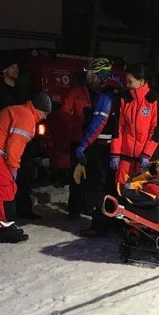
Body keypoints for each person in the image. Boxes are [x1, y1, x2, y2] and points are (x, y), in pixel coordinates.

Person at [0, 92, 52, 243]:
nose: (44, 117)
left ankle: (1, 226)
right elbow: (15, 146)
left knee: (6, 188)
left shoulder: (21, 111)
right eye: (45, 113)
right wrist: (13, 168)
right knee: (3, 188)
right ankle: (5, 228)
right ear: (38, 109)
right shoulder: (27, 118)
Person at [0, 59, 41, 220]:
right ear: (3, 70)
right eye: (12, 66)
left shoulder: (22, 91)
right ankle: (2, 217)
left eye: (17, 66)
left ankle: (23, 209)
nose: (16, 69)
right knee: (2, 183)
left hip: (20, 143)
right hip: (1, 145)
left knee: (23, 178)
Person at [73, 58, 121, 236]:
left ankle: (99, 226)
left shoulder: (105, 95)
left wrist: (83, 145)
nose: (89, 80)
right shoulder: (117, 90)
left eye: (91, 76)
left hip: (103, 149)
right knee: (111, 187)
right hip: (114, 149)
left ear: (101, 75)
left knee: (98, 188)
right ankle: (112, 222)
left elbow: (99, 123)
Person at [111, 62, 159, 185]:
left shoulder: (154, 99)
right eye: (126, 81)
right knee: (121, 189)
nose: (127, 84)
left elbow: (156, 130)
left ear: (141, 81)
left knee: (142, 192)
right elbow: (119, 128)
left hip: (144, 159)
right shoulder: (124, 98)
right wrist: (115, 153)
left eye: (130, 81)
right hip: (125, 156)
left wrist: (147, 154)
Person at [59, 72, 94, 219]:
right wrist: (75, 125)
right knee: (76, 177)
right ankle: (74, 209)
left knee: (91, 176)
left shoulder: (100, 94)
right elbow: (64, 113)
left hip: (92, 141)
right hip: (78, 139)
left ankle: (87, 206)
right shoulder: (76, 93)